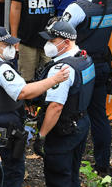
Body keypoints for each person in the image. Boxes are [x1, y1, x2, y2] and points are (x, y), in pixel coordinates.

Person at [0, 26, 69, 187]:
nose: (13, 48)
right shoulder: (1, 69)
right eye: (9, 45)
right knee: (11, 173)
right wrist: (54, 80)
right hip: (3, 134)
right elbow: (24, 92)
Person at [56, 0, 112, 177]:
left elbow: (59, 37)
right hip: (102, 65)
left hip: (81, 67)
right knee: (99, 116)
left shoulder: (76, 8)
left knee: (74, 114)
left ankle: (72, 162)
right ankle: (103, 165)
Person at [32, 19, 96, 187]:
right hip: (81, 123)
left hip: (63, 130)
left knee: (58, 177)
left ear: (66, 42)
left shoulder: (61, 69)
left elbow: (56, 107)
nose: (48, 44)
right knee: (73, 174)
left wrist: (42, 135)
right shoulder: (84, 58)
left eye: (52, 41)